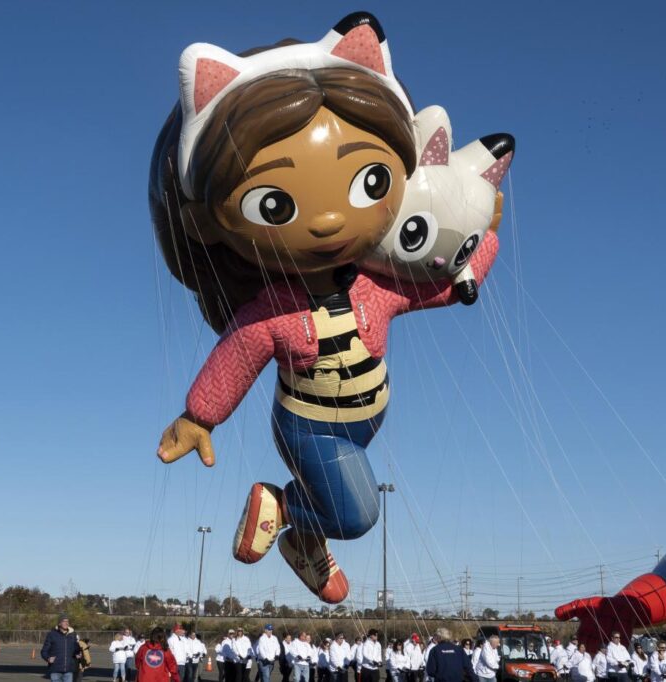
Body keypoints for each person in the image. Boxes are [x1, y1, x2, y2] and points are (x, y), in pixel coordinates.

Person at [153, 12, 501, 605]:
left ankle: (302, 542)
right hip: (311, 427)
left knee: (349, 501)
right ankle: (283, 508)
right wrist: (200, 416)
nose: (330, 220)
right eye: (274, 202)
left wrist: (478, 242)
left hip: (363, 426)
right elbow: (237, 353)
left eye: (368, 183)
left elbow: (437, 287)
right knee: (360, 512)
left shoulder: (379, 289)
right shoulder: (275, 313)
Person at [41, 616, 80, 682]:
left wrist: (77, 653)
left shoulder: (73, 635)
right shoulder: (52, 635)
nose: (66, 623)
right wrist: (48, 658)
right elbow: (44, 651)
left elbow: (76, 649)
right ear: (59, 623)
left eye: (67, 621)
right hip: (55, 669)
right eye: (64, 621)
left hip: (68, 670)